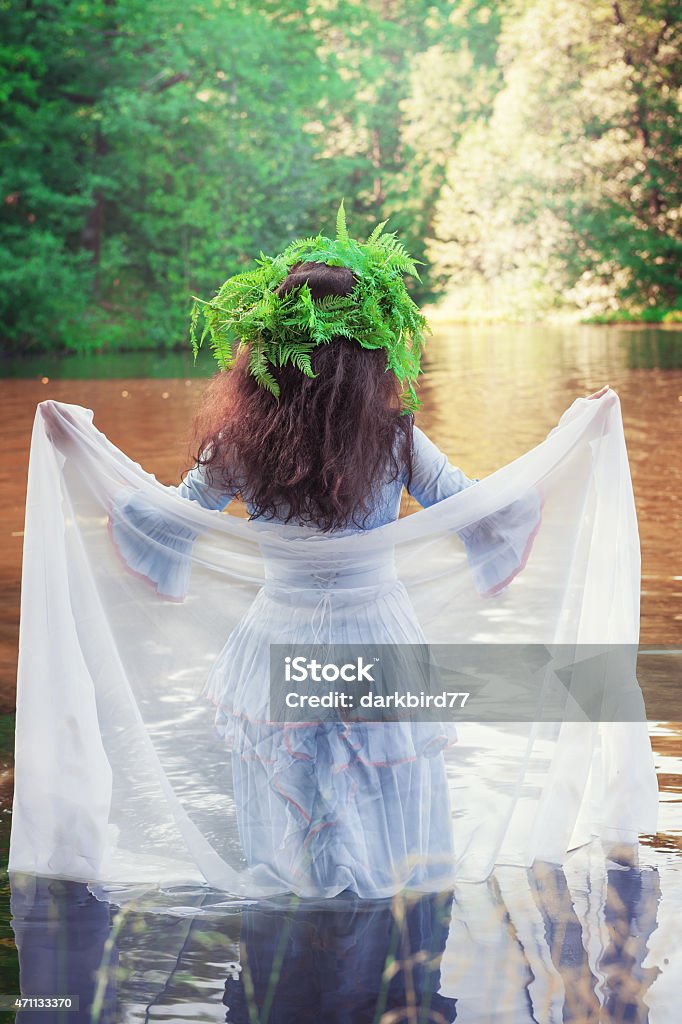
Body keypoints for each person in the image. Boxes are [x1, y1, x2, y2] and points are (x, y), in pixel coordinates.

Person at [12, 205, 656, 902]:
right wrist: (578, 434)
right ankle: (390, 971)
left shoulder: (239, 441)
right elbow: (481, 509)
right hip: (376, 640)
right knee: (383, 827)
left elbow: (164, 517)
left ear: (269, 346)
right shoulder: (395, 436)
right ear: (370, 350)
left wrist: (77, 443)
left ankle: (296, 964)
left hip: (275, 639)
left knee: (294, 829)